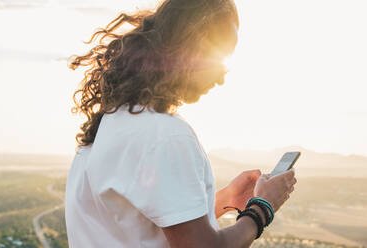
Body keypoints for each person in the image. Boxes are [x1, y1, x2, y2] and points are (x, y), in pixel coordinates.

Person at [64, 0, 297, 247]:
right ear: (190, 50)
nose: (222, 76)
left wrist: (226, 198)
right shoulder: (166, 137)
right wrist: (262, 208)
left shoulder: (109, 125)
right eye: (219, 56)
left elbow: (143, 229)